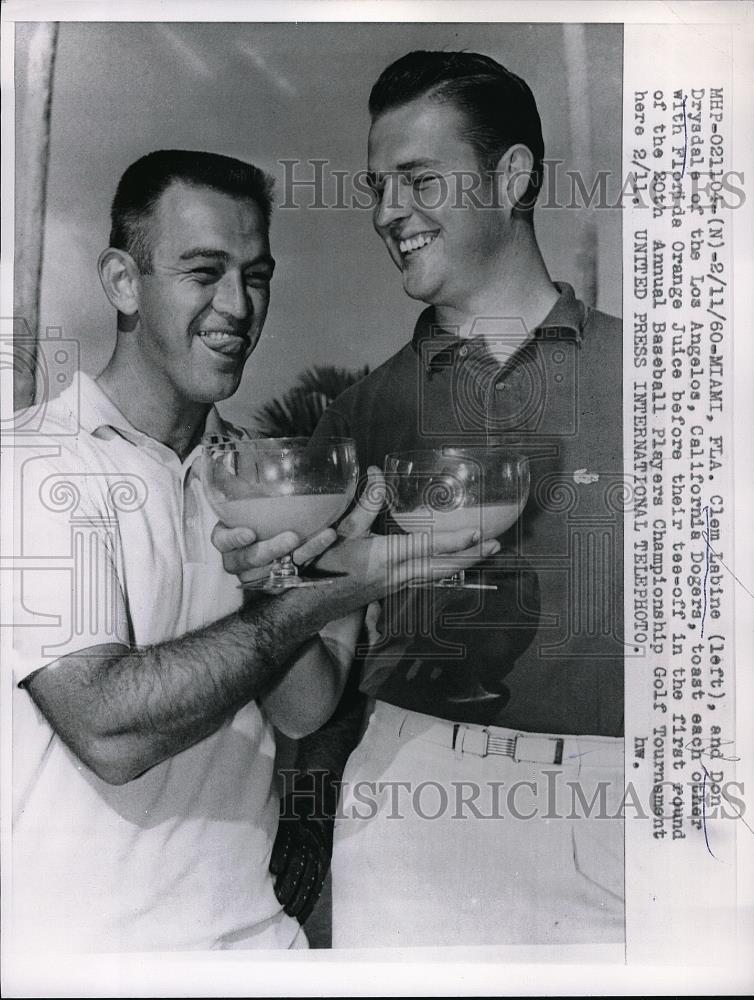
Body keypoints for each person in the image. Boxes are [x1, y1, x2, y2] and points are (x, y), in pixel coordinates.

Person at [9, 149, 496, 954]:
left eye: (257, 274)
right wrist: (323, 595)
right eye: (203, 271)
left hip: (259, 947)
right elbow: (106, 729)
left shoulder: (266, 475)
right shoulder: (34, 463)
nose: (237, 305)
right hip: (82, 959)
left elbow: (304, 708)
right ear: (123, 282)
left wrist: (299, 580)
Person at [228, 50, 625, 948]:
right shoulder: (358, 417)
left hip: (625, 815)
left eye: (419, 179)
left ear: (512, 176)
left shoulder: (666, 382)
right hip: (411, 812)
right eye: (378, 185)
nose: (386, 212)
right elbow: (302, 710)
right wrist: (277, 593)